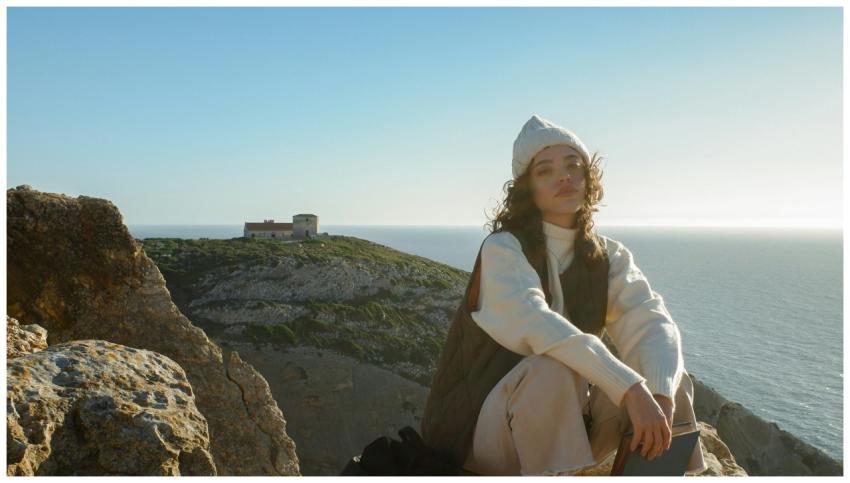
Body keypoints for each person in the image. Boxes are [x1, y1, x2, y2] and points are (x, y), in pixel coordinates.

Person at [420, 114, 707, 476]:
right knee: (551, 369)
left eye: (574, 165)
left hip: (567, 428)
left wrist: (660, 395)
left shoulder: (608, 255)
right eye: (545, 171)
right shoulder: (503, 250)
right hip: (481, 437)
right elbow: (538, 324)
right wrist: (630, 390)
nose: (564, 177)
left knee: (665, 373)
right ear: (528, 188)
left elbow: (650, 320)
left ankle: (658, 472)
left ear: (589, 179)